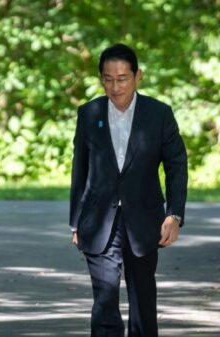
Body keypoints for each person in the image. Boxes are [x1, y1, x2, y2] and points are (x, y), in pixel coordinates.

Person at [69, 43, 188, 337]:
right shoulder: (89, 113)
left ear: (137, 76)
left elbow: (177, 166)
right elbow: (80, 170)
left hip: (145, 221)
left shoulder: (158, 114)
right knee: (104, 303)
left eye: (122, 78)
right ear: (100, 79)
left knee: (143, 305)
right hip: (98, 222)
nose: (115, 86)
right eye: (108, 78)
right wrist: (76, 222)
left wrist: (174, 214)